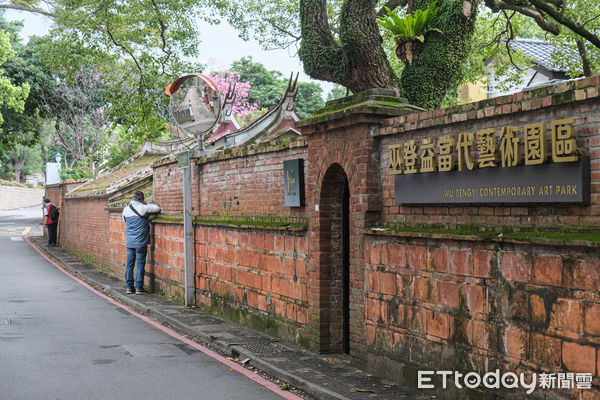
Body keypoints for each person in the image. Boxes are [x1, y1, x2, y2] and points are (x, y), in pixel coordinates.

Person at [122, 191, 161, 295]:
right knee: (140, 264)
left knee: (129, 265)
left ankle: (129, 288)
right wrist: (146, 203)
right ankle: (139, 288)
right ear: (142, 199)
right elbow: (157, 208)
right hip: (141, 242)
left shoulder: (126, 209)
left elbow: (125, 221)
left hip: (129, 242)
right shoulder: (144, 208)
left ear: (133, 198)